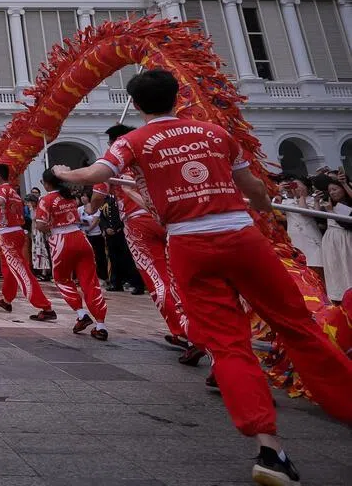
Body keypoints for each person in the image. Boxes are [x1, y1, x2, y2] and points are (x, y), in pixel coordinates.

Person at [54, 68, 352, 486]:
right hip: (240, 236)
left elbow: (96, 176)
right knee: (297, 325)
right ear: (177, 96)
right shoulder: (215, 133)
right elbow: (254, 189)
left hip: (190, 246)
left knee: (229, 346)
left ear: (137, 105)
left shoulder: (132, 141)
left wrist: (67, 174)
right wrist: (266, 209)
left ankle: (269, 449)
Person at [91, 123, 193, 358]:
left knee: (157, 278)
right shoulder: (155, 152)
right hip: (170, 217)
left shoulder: (114, 161)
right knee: (179, 276)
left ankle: (185, 332)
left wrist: (91, 206)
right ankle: (192, 327)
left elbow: (97, 196)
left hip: (138, 221)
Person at [34, 168, 109, 341]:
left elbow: (40, 224)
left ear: (46, 183)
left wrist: (51, 230)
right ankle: (101, 325)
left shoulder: (47, 199)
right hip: (81, 237)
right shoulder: (70, 197)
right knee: (90, 281)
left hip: (61, 239)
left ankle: (81, 313)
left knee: (61, 278)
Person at [0, 164, 55, 320]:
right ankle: (6, 300)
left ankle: (45, 307)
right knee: (8, 269)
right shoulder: (14, 192)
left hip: (8, 237)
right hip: (14, 232)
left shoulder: (2, 189)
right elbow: (9, 216)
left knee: (21, 271)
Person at [278, 178, 325, 279]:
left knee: (318, 264)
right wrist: (278, 191)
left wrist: (302, 197)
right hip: (295, 237)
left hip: (311, 237)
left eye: (298, 185)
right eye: (293, 185)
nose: (296, 188)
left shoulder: (313, 199)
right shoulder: (286, 202)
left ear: (306, 186)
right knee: (301, 267)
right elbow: (276, 214)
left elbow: (304, 212)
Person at [317, 175, 352, 305]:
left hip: (345, 240)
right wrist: (317, 202)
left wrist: (331, 211)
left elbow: (347, 224)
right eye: (330, 190)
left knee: (347, 268)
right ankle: (338, 298)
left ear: (343, 189)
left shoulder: (346, 204)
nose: (332, 192)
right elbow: (319, 220)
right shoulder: (329, 203)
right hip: (331, 243)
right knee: (335, 270)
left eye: (335, 189)